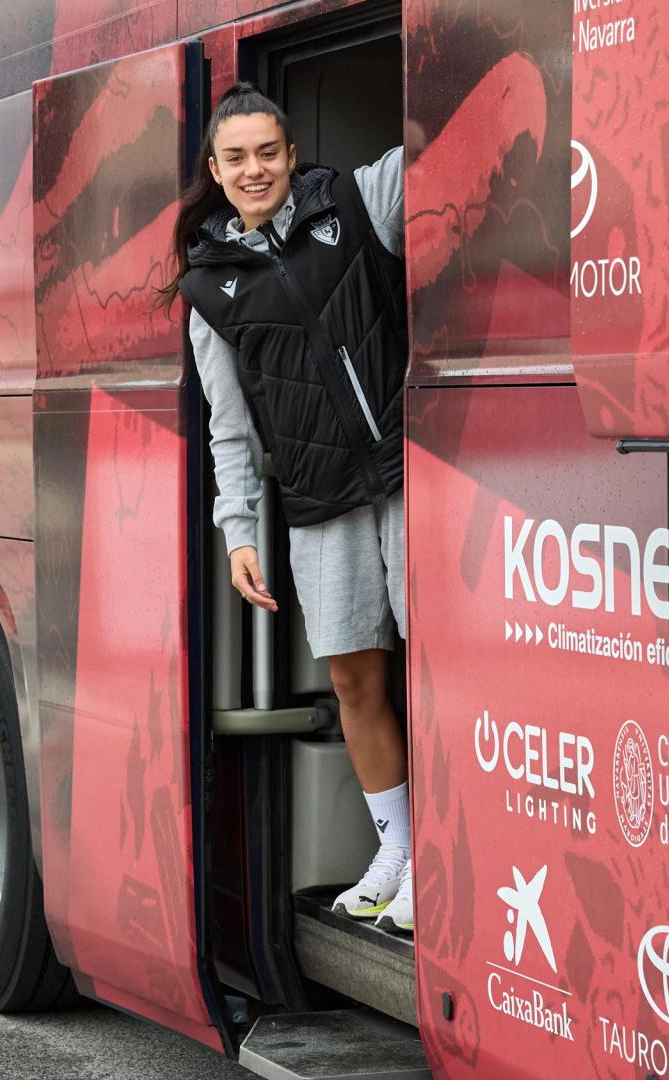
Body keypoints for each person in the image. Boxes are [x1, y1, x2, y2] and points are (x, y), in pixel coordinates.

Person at [171, 83, 414, 933]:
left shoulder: (355, 200)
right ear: (215, 169)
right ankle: (399, 853)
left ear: (291, 151)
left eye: (267, 152)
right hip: (318, 504)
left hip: (407, 480)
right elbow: (228, 430)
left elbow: (442, 143)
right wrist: (238, 531)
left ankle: (450, 855)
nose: (254, 169)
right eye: (235, 157)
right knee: (355, 678)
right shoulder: (209, 290)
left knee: (438, 672)